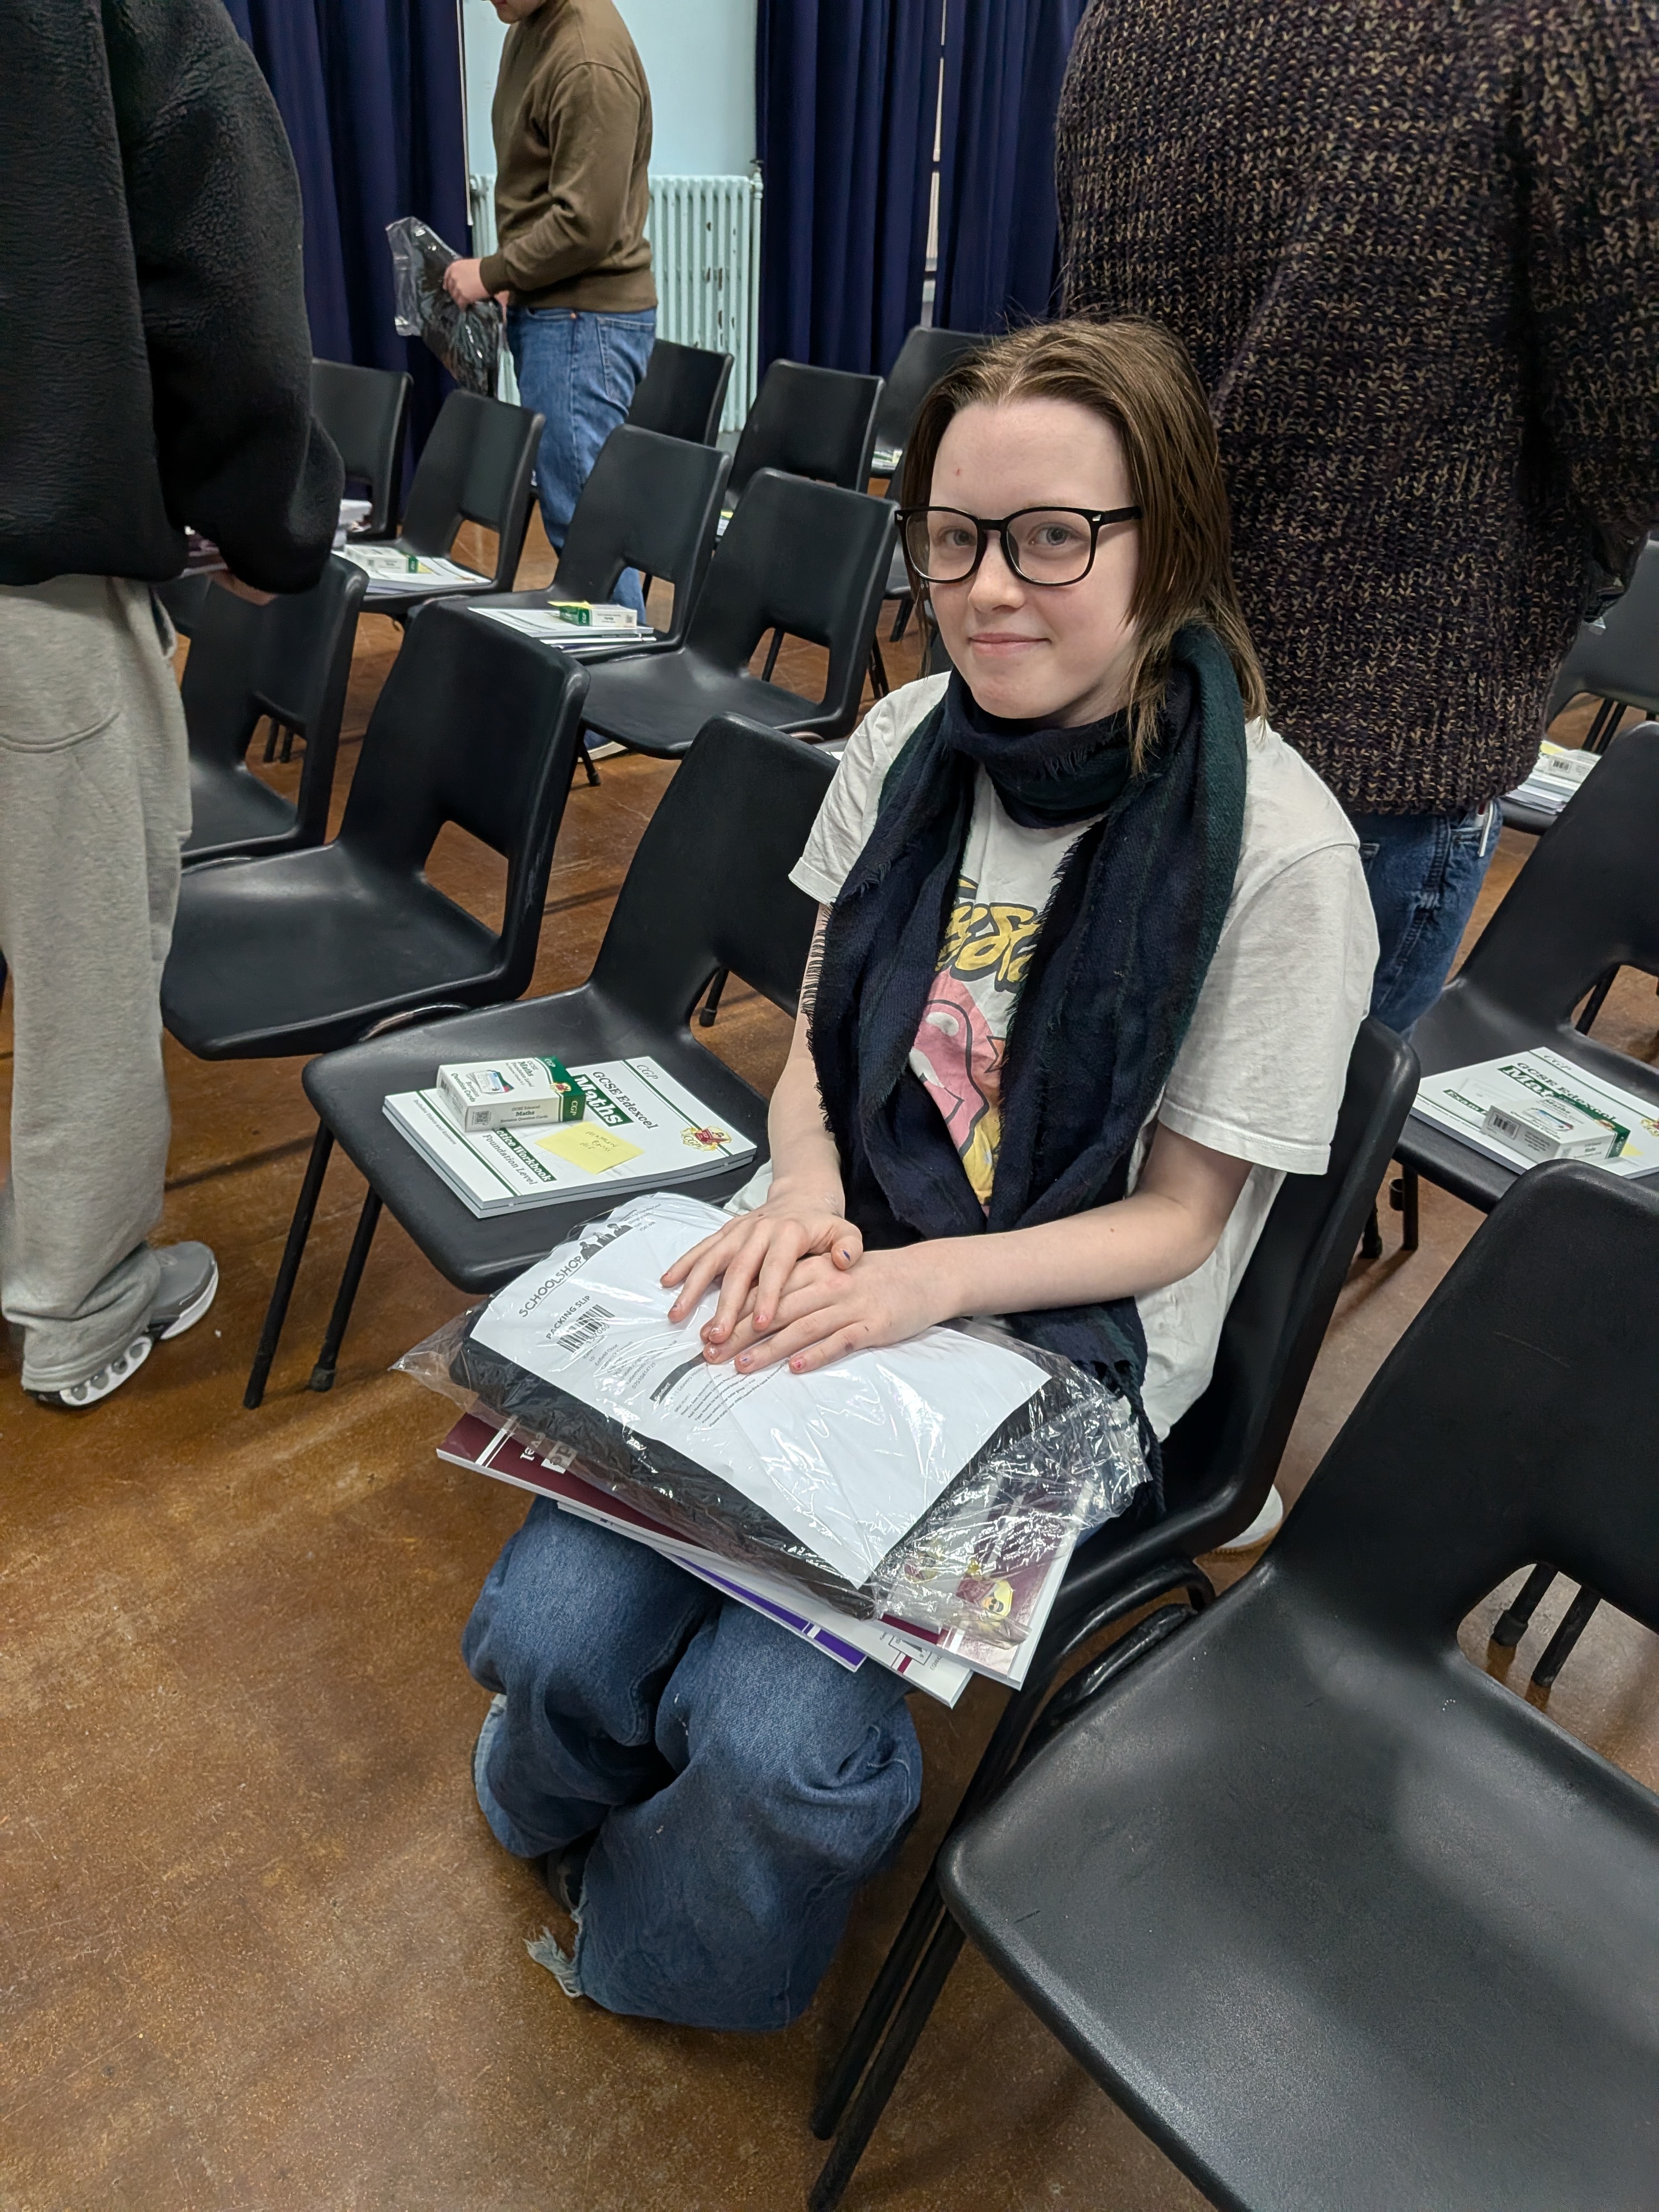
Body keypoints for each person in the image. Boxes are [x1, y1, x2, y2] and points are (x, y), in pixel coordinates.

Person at [462, 321, 1378, 2031]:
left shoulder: (1281, 854)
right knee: (554, 1623)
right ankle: (562, 1807)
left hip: (1059, 1340)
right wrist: (808, 1194)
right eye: (953, 538)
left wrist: (923, 1282)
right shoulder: (904, 740)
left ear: (1166, 544)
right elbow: (819, 1041)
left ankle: (667, 1955)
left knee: (770, 1742)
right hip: (847, 1244)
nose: (987, 589)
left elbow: (1180, 1221)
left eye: (1052, 538)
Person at [1054, 0, 1659, 1035]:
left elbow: (1083, 347)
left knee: (1099, 1097)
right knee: (1283, 1137)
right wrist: (1582, 567)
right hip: (1383, 728)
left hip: (1130, 692)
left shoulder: (1124, 14)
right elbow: (1634, 421)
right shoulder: (1570, 24)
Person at [0, 0, 340, 1406]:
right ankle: (79, 1309)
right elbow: (220, 258)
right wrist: (271, 524)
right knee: (82, 970)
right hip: (30, 578)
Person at [444, 0, 656, 616]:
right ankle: (600, 671)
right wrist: (519, 275)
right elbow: (541, 188)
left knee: (586, 532)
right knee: (578, 522)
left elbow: (585, 225)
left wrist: (493, 271)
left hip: (583, 320)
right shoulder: (532, 25)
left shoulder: (587, 57)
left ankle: (618, 677)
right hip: (556, 310)